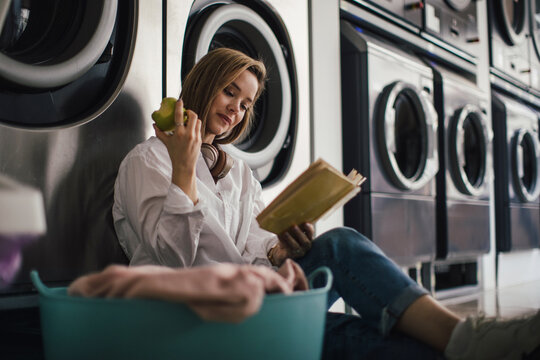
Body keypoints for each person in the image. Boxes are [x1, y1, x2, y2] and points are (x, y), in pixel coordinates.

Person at [112, 48, 540, 359]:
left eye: (246, 104)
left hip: (257, 309)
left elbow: (252, 247)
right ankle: (472, 338)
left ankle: (474, 343)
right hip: (193, 320)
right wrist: (183, 172)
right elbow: (171, 261)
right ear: (204, 84)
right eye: (229, 92)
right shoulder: (148, 159)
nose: (237, 111)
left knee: (375, 339)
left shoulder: (238, 172)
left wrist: (281, 249)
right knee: (340, 254)